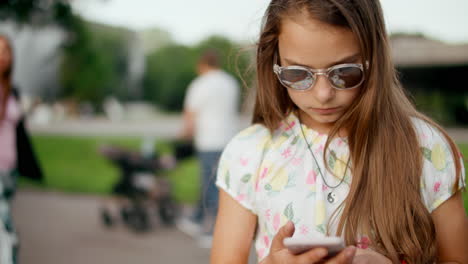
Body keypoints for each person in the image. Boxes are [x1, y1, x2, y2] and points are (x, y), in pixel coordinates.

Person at [211, 1, 467, 264]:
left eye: (344, 72)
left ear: (374, 59)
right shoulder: (249, 152)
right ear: (274, 60)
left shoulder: (425, 147)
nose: (323, 95)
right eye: (298, 74)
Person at [177, 49, 240, 247]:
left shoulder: (200, 84)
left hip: (209, 140)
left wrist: (184, 134)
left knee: (210, 184)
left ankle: (212, 231)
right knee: (218, 181)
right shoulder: (230, 83)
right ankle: (196, 218)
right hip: (229, 139)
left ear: (202, 65)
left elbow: (190, 114)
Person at [0, 35, 43, 264]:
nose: (3, 56)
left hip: (10, 167)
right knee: (4, 223)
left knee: (5, 221)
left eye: (7, 51)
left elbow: (17, 127)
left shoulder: (12, 90)